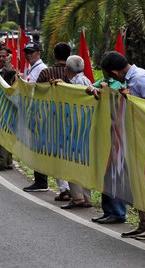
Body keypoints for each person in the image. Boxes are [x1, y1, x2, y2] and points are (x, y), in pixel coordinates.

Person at [93, 52, 145, 237]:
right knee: (136, 182)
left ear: (115, 73)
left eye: (110, 76)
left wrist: (131, 97)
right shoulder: (128, 79)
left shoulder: (140, 78)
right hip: (132, 138)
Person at [30, 42, 73, 198]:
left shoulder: (46, 73)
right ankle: (73, 191)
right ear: (70, 55)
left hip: (51, 121)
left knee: (56, 155)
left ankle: (64, 189)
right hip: (72, 120)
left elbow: (38, 95)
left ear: (54, 55)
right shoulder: (74, 74)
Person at [88, 70, 129, 225]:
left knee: (116, 174)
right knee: (106, 174)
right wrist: (96, 90)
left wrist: (106, 90)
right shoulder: (105, 80)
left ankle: (118, 212)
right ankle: (108, 211)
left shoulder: (121, 83)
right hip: (107, 133)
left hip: (120, 133)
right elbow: (89, 87)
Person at [59, 55, 93, 209]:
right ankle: (85, 197)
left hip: (75, 128)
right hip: (86, 128)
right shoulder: (86, 81)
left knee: (72, 162)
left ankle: (78, 197)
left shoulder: (75, 84)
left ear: (67, 69)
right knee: (83, 163)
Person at [22, 41, 49, 192]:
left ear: (39, 53)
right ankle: (40, 179)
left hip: (39, 113)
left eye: (31, 52)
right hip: (33, 112)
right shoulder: (33, 68)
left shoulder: (41, 69)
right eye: (27, 52)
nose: (28, 55)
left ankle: (41, 180)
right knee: (36, 147)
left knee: (39, 147)